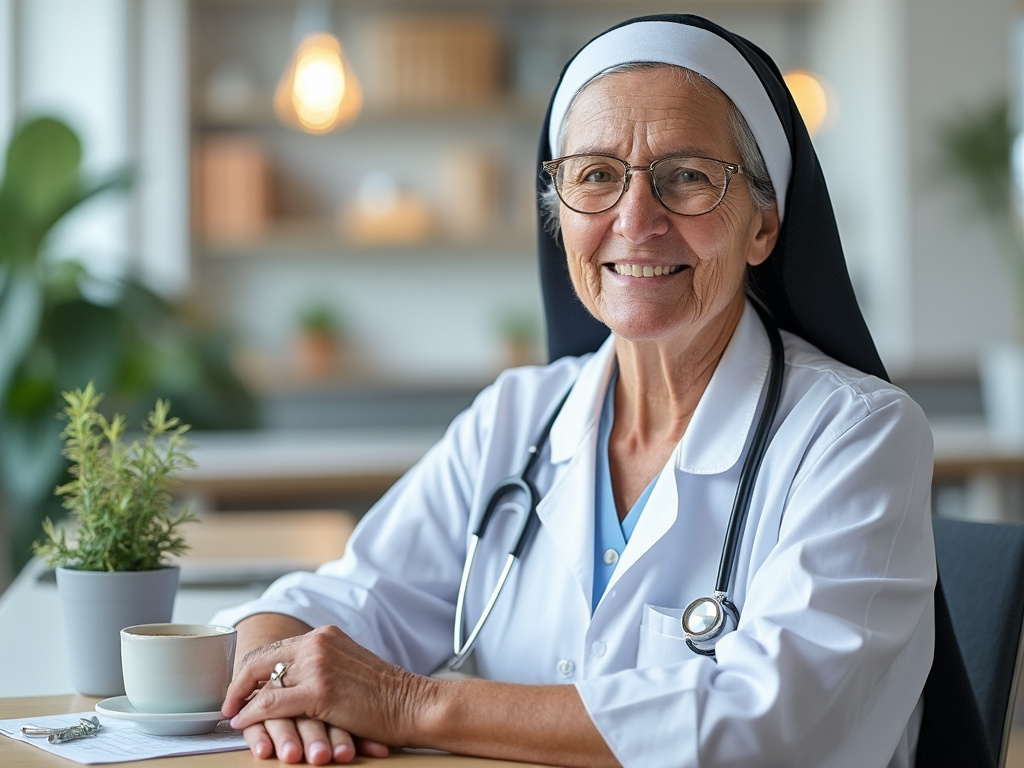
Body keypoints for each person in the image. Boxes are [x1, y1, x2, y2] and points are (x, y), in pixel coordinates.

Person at [215, 14, 936, 768]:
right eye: (594, 176)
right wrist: (281, 670)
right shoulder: (518, 416)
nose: (636, 220)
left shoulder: (858, 436)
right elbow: (355, 599)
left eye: (687, 176)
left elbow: (772, 723)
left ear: (763, 226)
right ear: (559, 216)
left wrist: (410, 702)